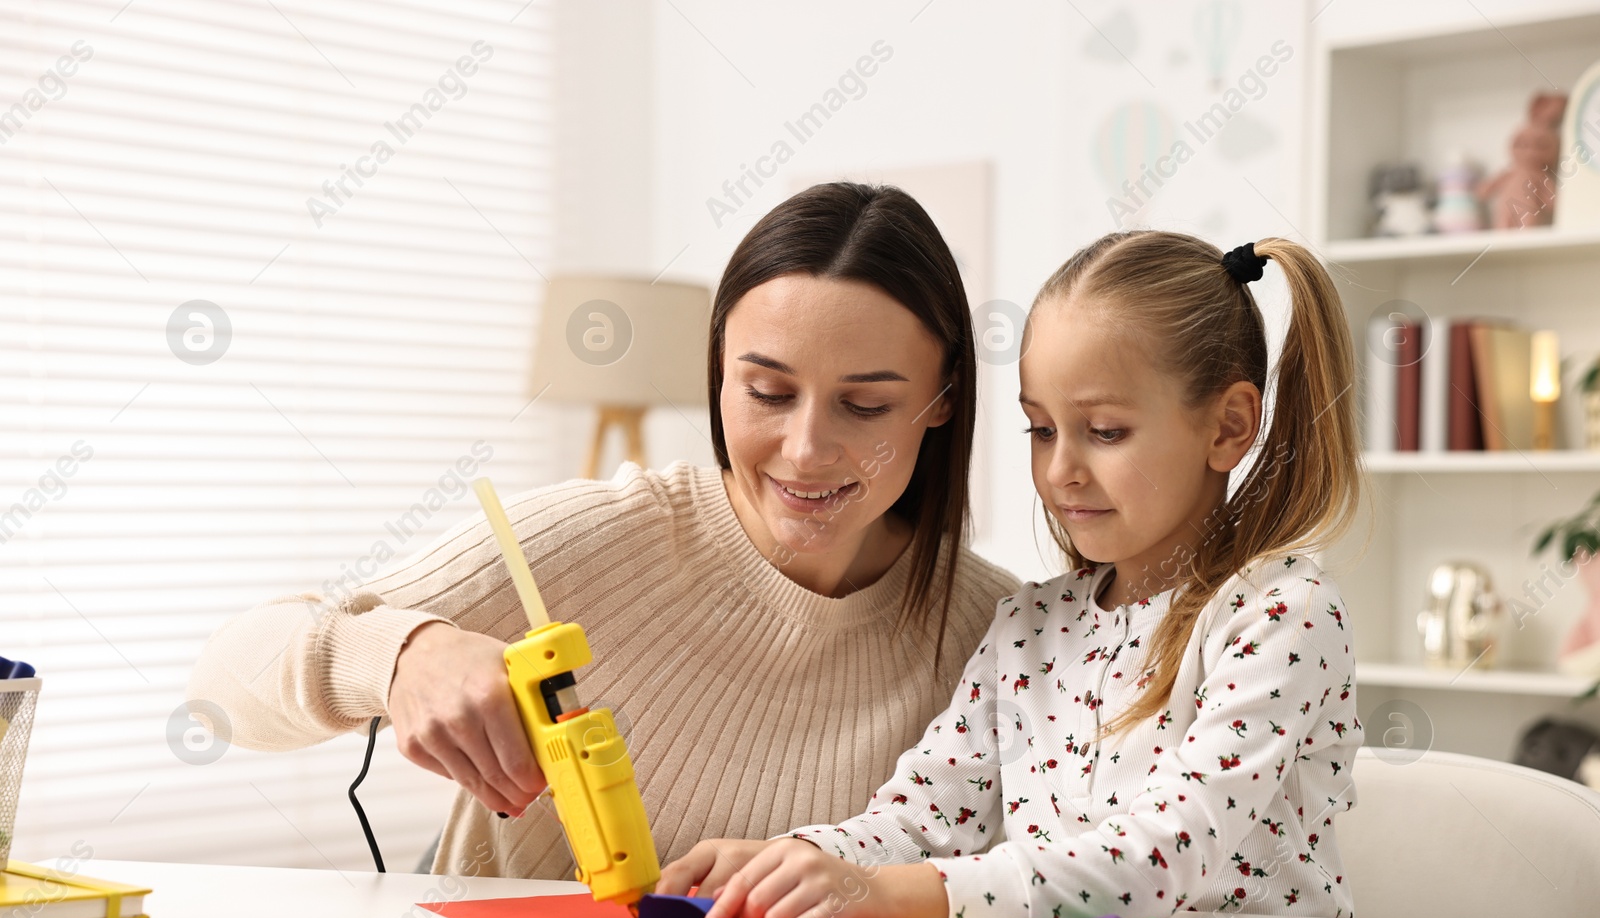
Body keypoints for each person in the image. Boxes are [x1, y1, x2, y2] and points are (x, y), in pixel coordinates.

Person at [186, 183, 1018, 879]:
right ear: (719, 373)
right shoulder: (593, 542)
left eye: (865, 405)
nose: (804, 449)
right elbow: (222, 687)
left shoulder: (1004, 632)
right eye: (766, 392)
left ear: (942, 400)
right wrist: (398, 658)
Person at [660, 232, 1367, 918]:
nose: (1061, 469)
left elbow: (1165, 854)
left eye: (1106, 431)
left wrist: (896, 894)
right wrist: (798, 859)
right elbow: (924, 819)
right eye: (1040, 428)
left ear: (1230, 426)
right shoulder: (1028, 624)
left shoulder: (1282, 614)